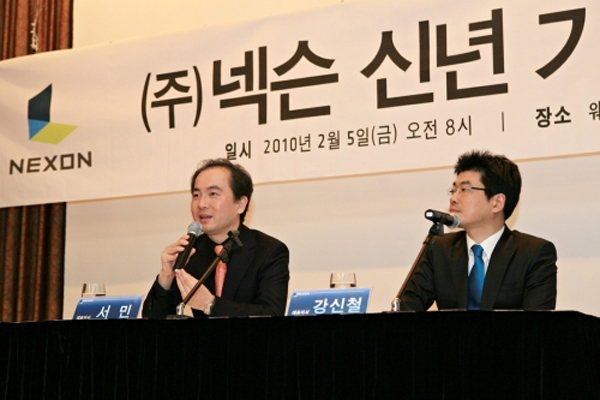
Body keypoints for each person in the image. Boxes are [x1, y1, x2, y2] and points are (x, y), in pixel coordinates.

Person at [400, 150, 557, 311]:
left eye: (465, 190)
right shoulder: (439, 250)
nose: (453, 198)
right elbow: (405, 312)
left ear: (497, 202)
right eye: (453, 190)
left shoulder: (533, 254)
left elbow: (538, 324)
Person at [142, 159, 290, 318]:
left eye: (213, 194)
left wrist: (210, 304)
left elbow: (271, 314)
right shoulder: (190, 252)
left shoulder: (269, 251)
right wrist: (167, 276)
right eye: (196, 195)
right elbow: (152, 320)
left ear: (240, 204)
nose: (202, 204)